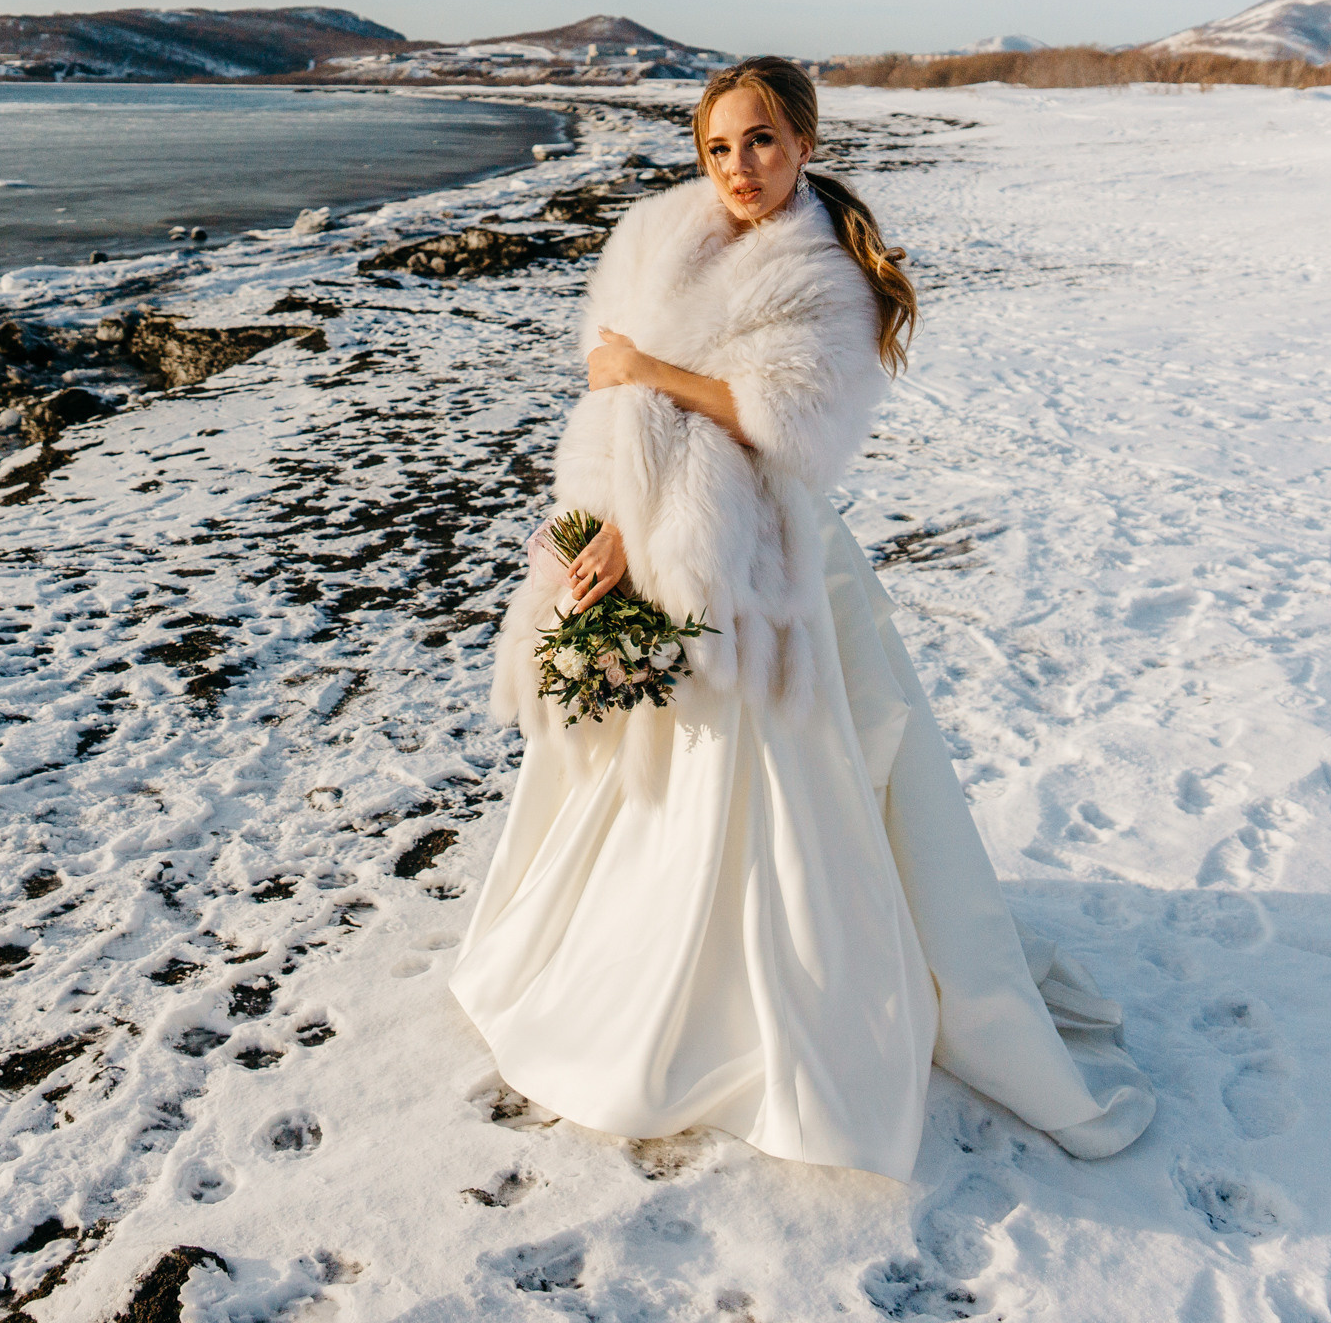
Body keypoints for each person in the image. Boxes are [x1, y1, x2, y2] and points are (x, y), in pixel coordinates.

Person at [450, 58, 1152, 1180]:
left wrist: (650, 370)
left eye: (764, 142)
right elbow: (609, 401)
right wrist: (612, 526)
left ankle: (782, 1012)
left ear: (806, 142)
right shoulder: (654, 237)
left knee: (779, 783)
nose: (742, 168)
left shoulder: (827, 276)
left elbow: (781, 426)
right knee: (650, 777)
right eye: (721, 147)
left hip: (773, 569)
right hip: (653, 547)